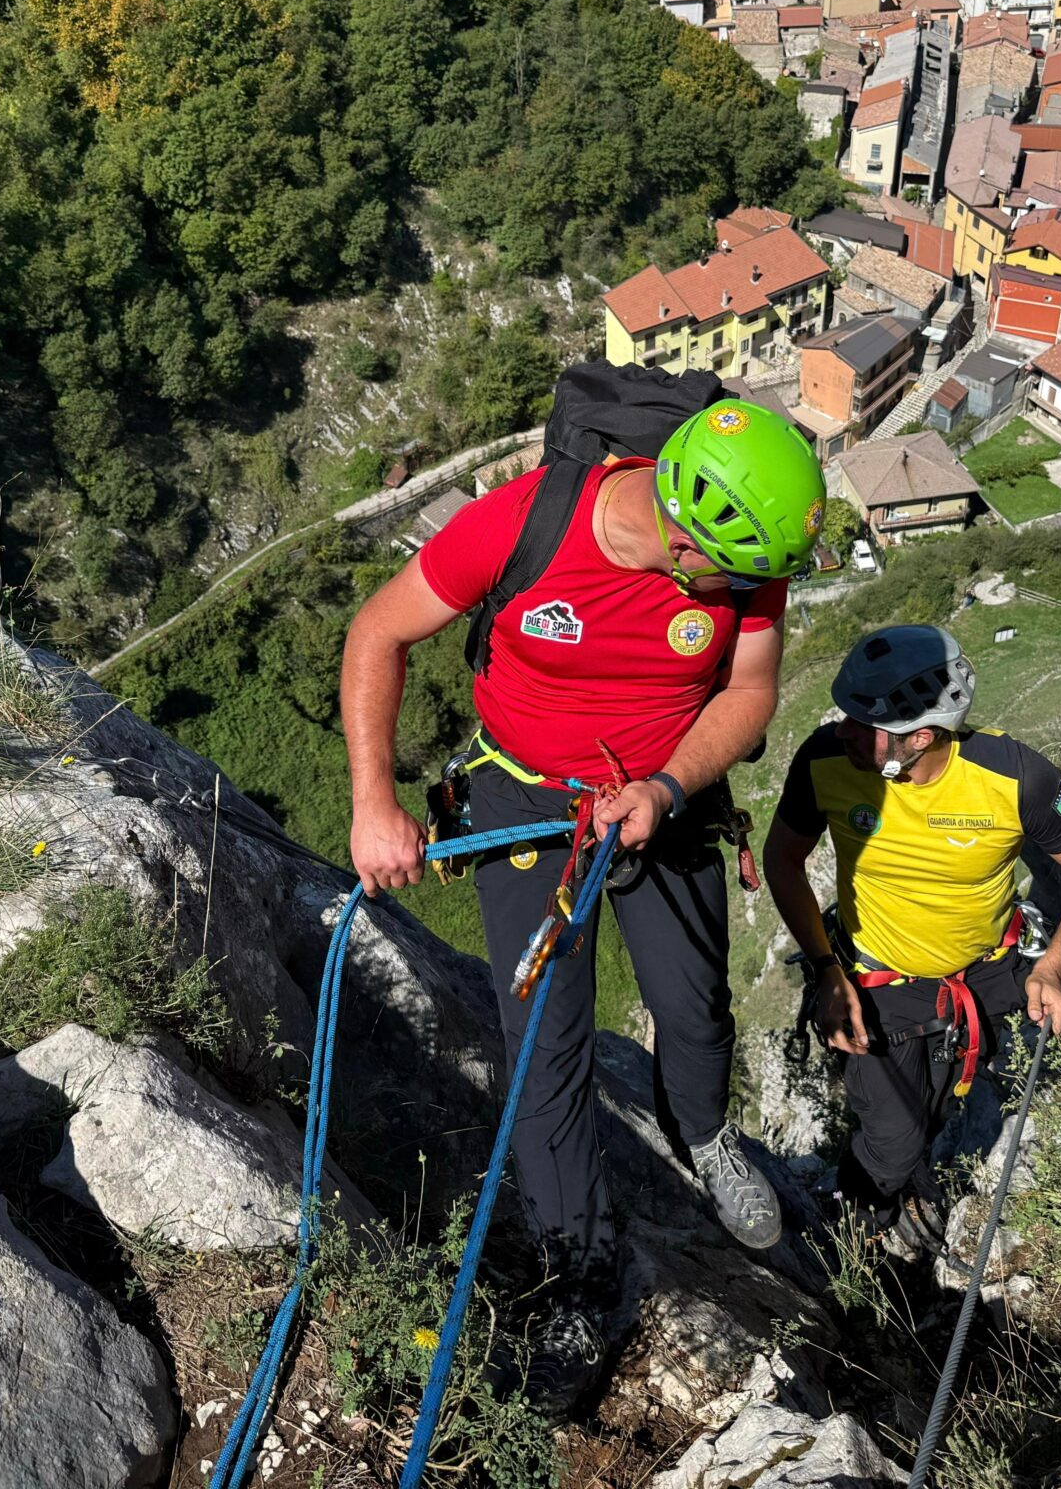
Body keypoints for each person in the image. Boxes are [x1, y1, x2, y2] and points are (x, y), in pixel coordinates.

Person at [340, 396, 826, 1403]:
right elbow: (378, 633)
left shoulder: (750, 560)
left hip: (668, 797)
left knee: (693, 1008)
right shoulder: (523, 526)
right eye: (728, 574)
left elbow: (747, 693)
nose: (743, 590)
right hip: (526, 796)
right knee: (543, 1048)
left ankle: (701, 1132)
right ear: (688, 529)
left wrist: (665, 786)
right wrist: (372, 801)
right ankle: (576, 1268)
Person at [761, 623, 1061, 1248]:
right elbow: (782, 861)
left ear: (919, 737)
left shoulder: (1012, 776)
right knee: (893, 1138)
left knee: (941, 1106)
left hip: (985, 973)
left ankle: (906, 1177)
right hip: (875, 981)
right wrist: (826, 973)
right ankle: (856, 1231)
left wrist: (1052, 963)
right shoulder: (824, 761)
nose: (839, 731)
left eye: (859, 724)